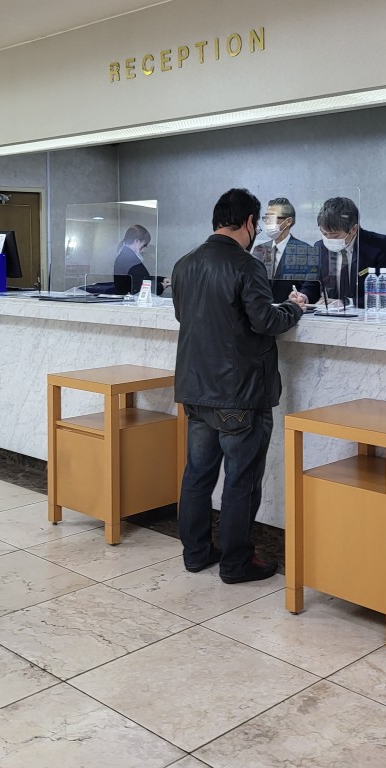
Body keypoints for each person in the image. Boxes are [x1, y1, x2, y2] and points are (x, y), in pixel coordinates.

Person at [171, 188, 307, 583]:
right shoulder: (247, 266)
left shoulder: (184, 264)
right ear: (249, 222)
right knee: (240, 481)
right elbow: (266, 321)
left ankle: (196, 554)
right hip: (239, 393)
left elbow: (185, 315)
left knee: (197, 476)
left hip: (195, 389)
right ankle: (235, 563)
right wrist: (294, 308)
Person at [314, 196, 386, 309]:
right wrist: (303, 296)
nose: (329, 239)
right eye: (324, 234)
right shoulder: (320, 247)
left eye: (334, 235)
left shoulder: (380, 246)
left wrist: (347, 302)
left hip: (372, 314)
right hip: (332, 314)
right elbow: (312, 285)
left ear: (353, 229)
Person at [251, 196, 321, 303]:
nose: (267, 222)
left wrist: (302, 297)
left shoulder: (306, 251)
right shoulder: (259, 250)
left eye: (272, 218)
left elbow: (311, 287)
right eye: (266, 218)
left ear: (288, 221)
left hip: (291, 309)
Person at [114, 224, 167, 295]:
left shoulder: (125, 256)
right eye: (144, 245)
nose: (144, 249)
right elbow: (140, 286)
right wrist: (160, 286)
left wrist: (161, 279)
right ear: (136, 241)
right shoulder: (130, 260)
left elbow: (141, 278)